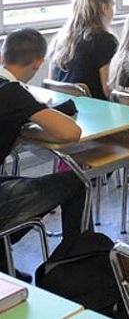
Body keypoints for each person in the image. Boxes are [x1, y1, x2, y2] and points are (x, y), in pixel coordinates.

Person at [0, 28, 87, 281]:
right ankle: (74, 267)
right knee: (76, 181)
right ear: (39, 63)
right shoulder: (12, 92)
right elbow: (70, 132)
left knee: (17, 185)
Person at [50, 0, 117, 100]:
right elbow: (109, 90)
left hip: (64, 111)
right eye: (112, 7)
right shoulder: (105, 40)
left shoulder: (59, 40)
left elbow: (51, 84)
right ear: (104, 8)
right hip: (98, 111)